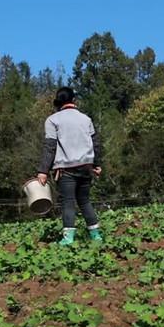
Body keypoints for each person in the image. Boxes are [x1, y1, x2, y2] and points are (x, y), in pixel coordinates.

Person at [36, 87, 104, 246]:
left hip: (66, 169)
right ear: (74, 100)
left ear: (58, 102)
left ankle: (68, 239)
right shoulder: (86, 119)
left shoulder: (53, 120)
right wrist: (97, 164)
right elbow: (96, 143)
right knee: (85, 201)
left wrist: (43, 170)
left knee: (68, 202)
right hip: (86, 167)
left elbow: (50, 147)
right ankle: (96, 236)